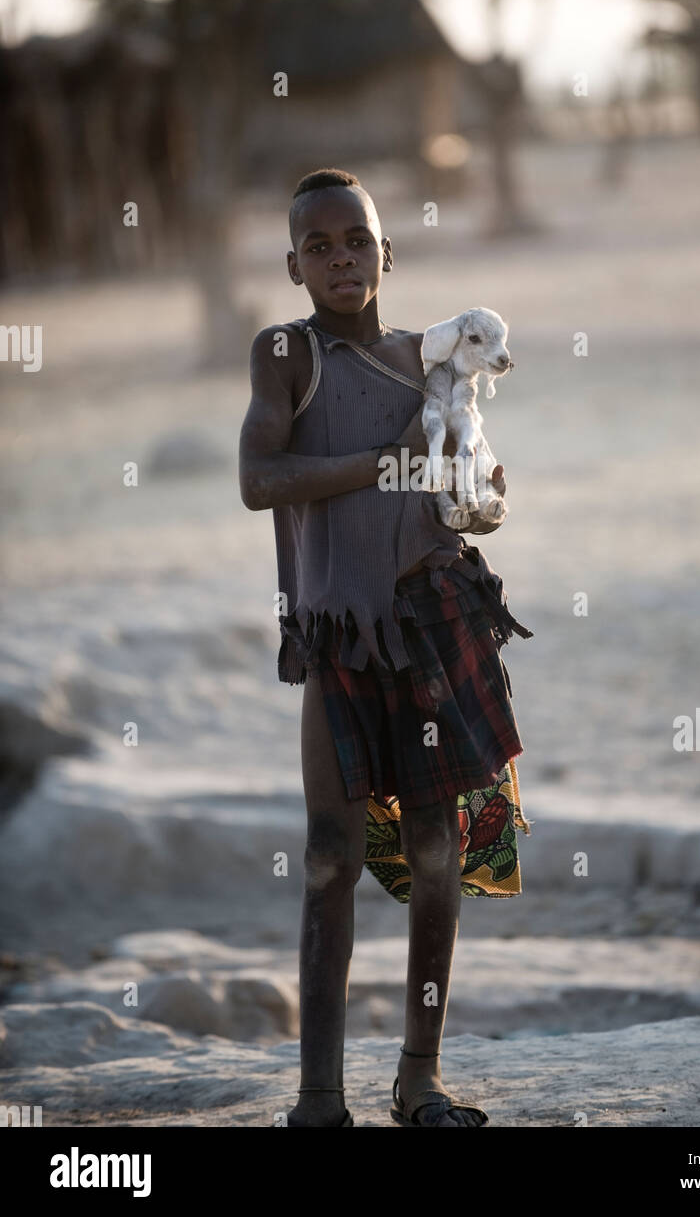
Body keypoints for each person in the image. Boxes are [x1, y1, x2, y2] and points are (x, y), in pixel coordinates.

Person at [239, 168, 533, 1127]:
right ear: (292, 266)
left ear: (386, 253)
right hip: (339, 632)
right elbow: (259, 477)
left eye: (357, 241)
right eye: (318, 247)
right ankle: (318, 1099)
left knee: (436, 849)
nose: (340, 259)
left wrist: (480, 490)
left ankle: (419, 1079)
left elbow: (469, 479)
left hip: (432, 620)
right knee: (328, 855)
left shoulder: (427, 359)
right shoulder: (285, 353)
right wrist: (381, 464)